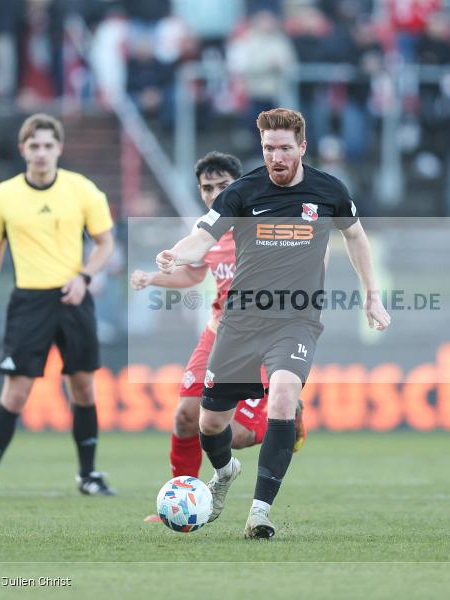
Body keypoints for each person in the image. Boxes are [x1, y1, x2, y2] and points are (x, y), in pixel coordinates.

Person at [155, 108, 391, 538]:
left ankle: (259, 513)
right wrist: (177, 254)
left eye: (284, 148)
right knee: (211, 425)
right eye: (268, 149)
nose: (276, 157)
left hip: (296, 320)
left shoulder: (329, 190)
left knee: (282, 397)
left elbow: (355, 235)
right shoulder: (242, 192)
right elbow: (203, 237)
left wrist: (371, 296)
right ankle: (224, 472)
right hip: (241, 321)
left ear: (302, 147)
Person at [129, 152, 307, 522]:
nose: (214, 194)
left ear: (239, 186)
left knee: (236, 435)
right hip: (217, 333)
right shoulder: (205, 230)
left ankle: (288, 416)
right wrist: (153, 278)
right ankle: (182, 500)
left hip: (261, 338)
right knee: (185, 417)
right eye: (207, 188)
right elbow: (194, 273)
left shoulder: (263, 223)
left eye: (222, 186)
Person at [0, 113, 116, 497]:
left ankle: (88, 476)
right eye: (34, 146)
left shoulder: (82, 190)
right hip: (29, 301)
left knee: (83, 388)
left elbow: (105, 244)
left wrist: (84, 277)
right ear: (23, 149)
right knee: (15, 393)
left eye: (48, 145)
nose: (41, 152)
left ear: (59, 148)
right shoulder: (3, 196)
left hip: (73, 297)